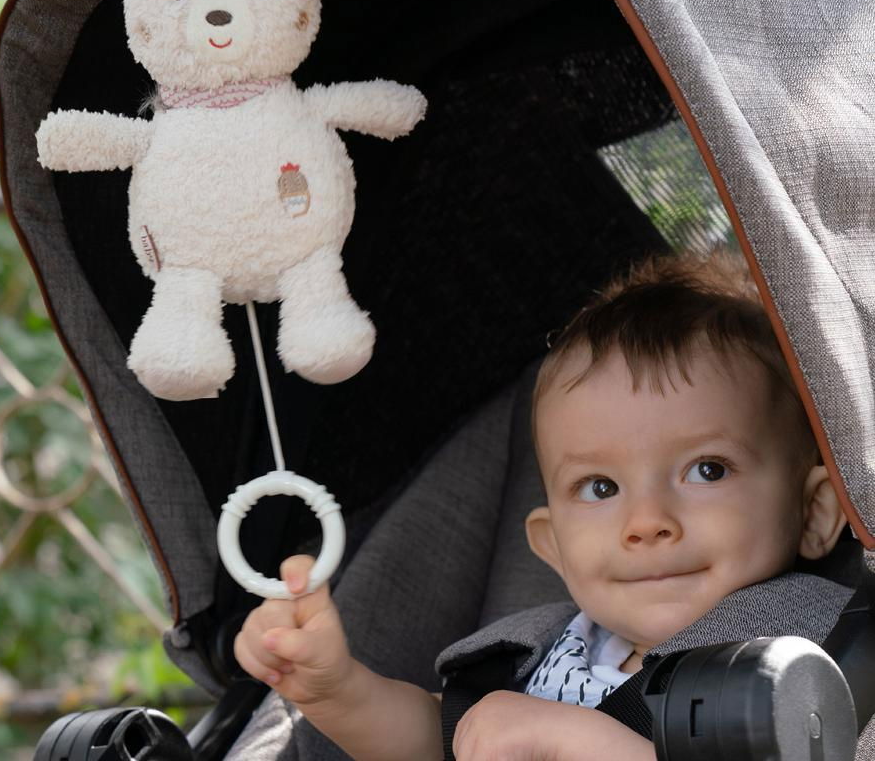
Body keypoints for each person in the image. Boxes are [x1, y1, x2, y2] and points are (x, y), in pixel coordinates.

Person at [234, 251, 847, 760]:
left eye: (707, 470)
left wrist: (579, 741)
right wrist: (337, 691)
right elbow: (433, 741)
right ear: (553, 546)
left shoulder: (810, 666)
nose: (646, 522)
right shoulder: (544, 655)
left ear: (816, 511)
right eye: (601, 487)